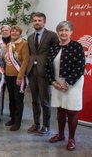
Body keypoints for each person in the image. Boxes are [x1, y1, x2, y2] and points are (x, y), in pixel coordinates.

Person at [46, 21, 85, 151]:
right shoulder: (54, 48)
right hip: (57, 84)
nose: (63, 33)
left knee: (72, 111)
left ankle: (71, 139)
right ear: (58, 32)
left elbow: (80, 67)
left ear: (71, 32)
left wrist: (67, 83)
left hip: (72, 84)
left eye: (66, 30)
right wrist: (53, 82)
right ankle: (61, 134)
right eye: (61, 30)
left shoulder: (77, 46)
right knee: (60, 110)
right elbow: (48, 67)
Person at [26, 12, 59, 135]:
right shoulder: (30, 37)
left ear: (44, 22)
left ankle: (46, 125)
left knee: (45, 100)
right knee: (34, 100)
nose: (37, 23)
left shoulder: (52, 35)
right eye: (35, 20)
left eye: (39, 20)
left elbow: (56, 53)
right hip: (32, 71)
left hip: (45, 72)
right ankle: (36, 123)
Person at [4, 25, 30, 131]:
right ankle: (13, 118)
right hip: (8, 75)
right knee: (11, 98)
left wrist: (20, 77)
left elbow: (25, 61)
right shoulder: (9, 44)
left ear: (20, 33)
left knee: (18, 99)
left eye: (16, 31)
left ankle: (17, 122)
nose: (14, 33)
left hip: (18, 76)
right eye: (12, 31)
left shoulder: (24, 44)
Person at [0, 25, 11, 115]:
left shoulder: (14, 41)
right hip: (0, 70)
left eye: (6, 30)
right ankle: (0, 110)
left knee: (11, 93)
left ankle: (12, 113)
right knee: (0, 91)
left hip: (11, 70)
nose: (4, 32)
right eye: (3, 30)